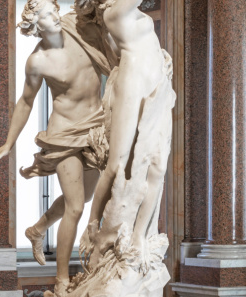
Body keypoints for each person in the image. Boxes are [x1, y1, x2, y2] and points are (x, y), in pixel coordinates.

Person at [0, 0, 108, 296]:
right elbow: (26, 101)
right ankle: (62, 279)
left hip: (95, 127)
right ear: (35, 26)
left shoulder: (76, 25)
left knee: (87, 195)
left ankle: (38, 229)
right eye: (46, 16)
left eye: (53, 11)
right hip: (63, 133)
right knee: (76, 206)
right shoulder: (37, 61)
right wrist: (8, 143)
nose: (54, 18)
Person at [77, 0, 175, 266]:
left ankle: (140, 236)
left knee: (158, 166)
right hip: (134, 83)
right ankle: (93, 223)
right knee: (117, 164)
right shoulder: (114, 13)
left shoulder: (124, 9)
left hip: (157, 84)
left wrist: (163, 58)